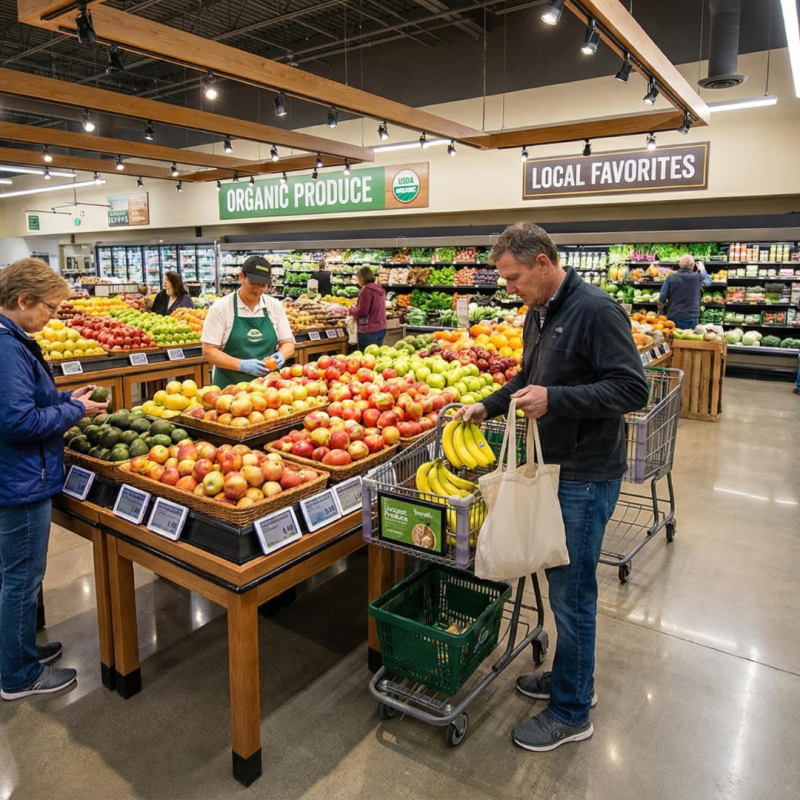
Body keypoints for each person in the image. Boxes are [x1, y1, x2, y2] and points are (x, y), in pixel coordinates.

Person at [456, 223, 649, 752]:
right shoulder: (537, 312)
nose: (509, 288)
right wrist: (488, 405)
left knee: (573, 595)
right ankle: (571, 679)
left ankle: (571, 711)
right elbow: (528, 377)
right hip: (554, 470)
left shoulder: (597, 310)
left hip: (585, 475)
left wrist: (557, 400)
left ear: (543, 263)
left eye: (514, 277)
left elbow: (633, 388)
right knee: (561, 585)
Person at [0, 258, 108, 700]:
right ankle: (19, 675)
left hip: (17, 474)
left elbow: (27, 401)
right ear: (24, 300)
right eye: (49, 307)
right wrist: (75, 410)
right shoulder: (7, 349)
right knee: (22, 578)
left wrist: (65, 398)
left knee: (16, 575)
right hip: (20, 480)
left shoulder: (12, 339)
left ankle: (19, 651)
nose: (53, 315)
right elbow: (17, 422)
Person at [202, 255, 295, 386]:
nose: (257, 289)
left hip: (268, 389)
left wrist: (281, 355)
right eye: (253, 283)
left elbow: (288, 343)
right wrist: (241, 364)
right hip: (230, 389)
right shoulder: (221, 308)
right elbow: (208, 351)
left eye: (262, 285)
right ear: (241, 277)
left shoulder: (274, 306)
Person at [657, 254, 712, 329]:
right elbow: (708, 283)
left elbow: (663, 296)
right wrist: (702, 269)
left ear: (679, 265)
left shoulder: (671, 278)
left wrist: (660, 312)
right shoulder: (698, 277)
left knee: (673, 335)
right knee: (689, 335)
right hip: (691, 316)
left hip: (674, 315)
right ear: (692, 265)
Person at [349, 266, 387, 350]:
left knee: (367, 356)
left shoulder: (366, 290)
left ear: (361, 278)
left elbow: (362, 312)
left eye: (358, 278)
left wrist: (351, 310)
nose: (357, 281)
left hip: (369, 331)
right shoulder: (380, 289)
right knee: (377, 354)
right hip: (381, 328)